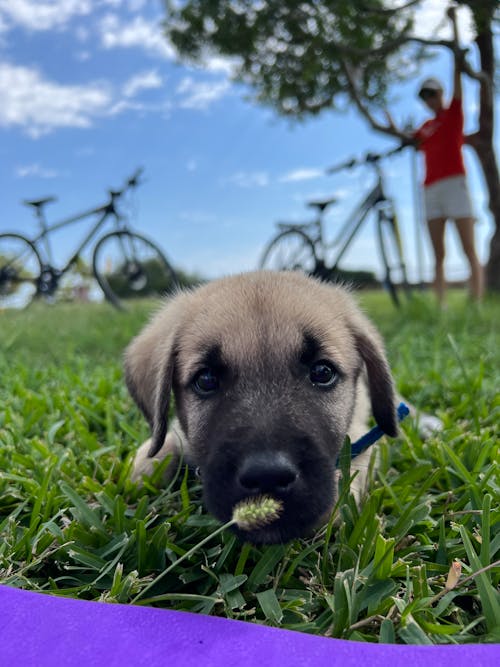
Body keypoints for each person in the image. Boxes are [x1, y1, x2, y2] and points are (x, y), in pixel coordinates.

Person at [412, 7, 484, 305]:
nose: (429, 100)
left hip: (455, 184)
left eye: (432, 93)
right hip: (431, 189)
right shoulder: (425, 127)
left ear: (440, 93)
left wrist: (454, 26)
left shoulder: (454, 113)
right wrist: (392, 127)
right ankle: (439, 306)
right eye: (425, 97)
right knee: (437, 253)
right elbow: (409, 142)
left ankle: (476, 302)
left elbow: (456, 69)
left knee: (468, 247)